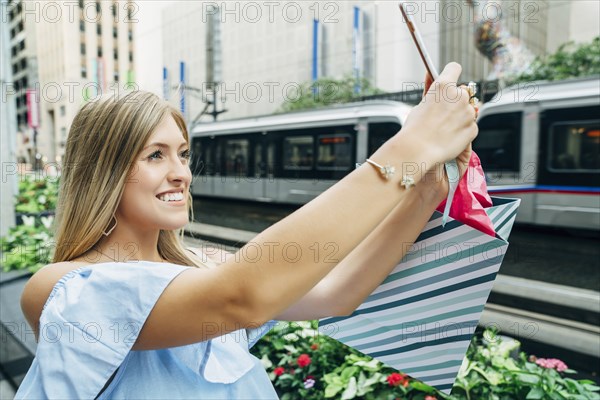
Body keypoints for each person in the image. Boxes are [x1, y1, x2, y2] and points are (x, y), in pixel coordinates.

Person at [15, 63, 478, 399]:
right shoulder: (60, 289)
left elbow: (339, 292)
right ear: (102, 171)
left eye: (182, 154)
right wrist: (412, 143)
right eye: (155, 155)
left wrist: (427, 184)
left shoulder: (203, 268)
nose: (180, 173)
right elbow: (244, 295)